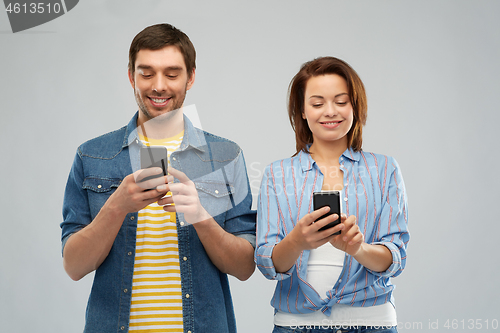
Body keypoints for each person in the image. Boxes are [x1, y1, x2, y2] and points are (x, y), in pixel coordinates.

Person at [61, 23, 256, 333]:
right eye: (146, 73)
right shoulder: (92, 155)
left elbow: (245, 267)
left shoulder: (224, 155)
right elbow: (74, 266)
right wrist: (116, 207)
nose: (159, 86)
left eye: (172, 73)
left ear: (191, 76)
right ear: (131, 76)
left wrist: (201, 217)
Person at [255, 57, 409, 333]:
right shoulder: (276, 174)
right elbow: (268, 263)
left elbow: (395, 257)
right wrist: (297, 241)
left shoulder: (385, 169)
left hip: (371, 323)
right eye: (317, 103)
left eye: (341, 102)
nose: (330, 112)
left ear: (355, 106)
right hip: (296, 325)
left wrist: (358, 249)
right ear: (302, 110)